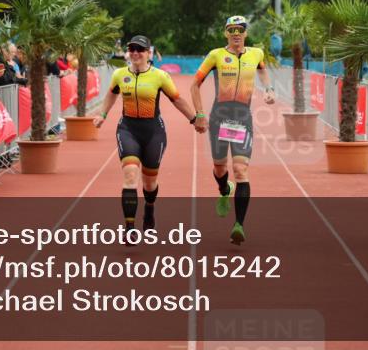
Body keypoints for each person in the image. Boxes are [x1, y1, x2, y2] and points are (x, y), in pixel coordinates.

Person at [94, 35, 200, 238]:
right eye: (132, 49)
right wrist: (102, 114)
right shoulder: (119, 74)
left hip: (153, 132)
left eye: (140, 49)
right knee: (130, 174)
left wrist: (195, 120)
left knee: (149, 184)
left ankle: (149, 209)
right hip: (127, 130)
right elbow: (111, 94)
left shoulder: (159, 76)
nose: (135, 53)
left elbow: (177, 100)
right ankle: (129, 229)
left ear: (148, 53)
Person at [190, 16, 275, 245]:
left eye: (240, 29)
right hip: (219, 117)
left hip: (241, 118)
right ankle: (223, 188)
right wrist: (199, 114)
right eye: (232, 29)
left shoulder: (256, 53)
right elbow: (194, 84)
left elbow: (263, 70)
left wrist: (269, 88)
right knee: (220, 167)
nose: (236, 33)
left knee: (240, 169)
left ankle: (239, 225)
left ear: (246, 33)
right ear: (226, 33)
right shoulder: (216, 55)